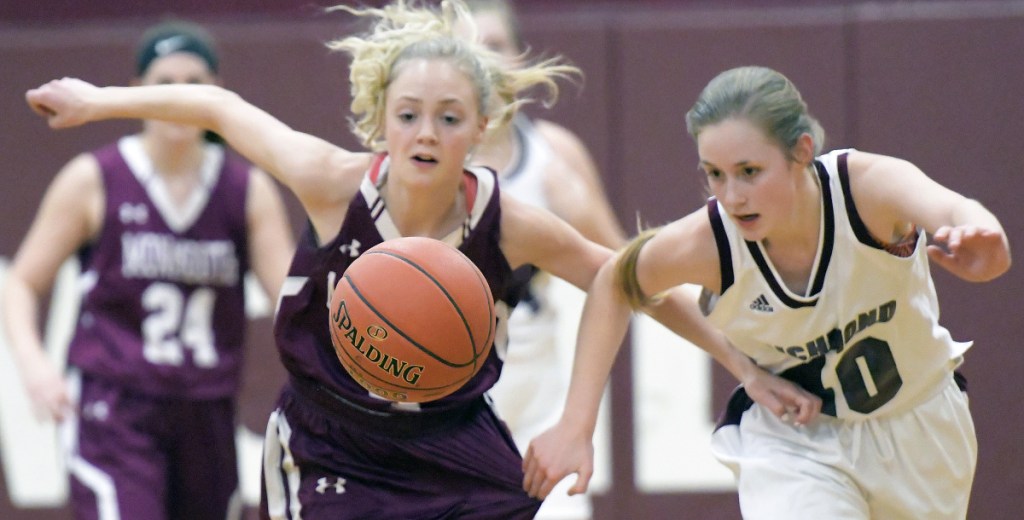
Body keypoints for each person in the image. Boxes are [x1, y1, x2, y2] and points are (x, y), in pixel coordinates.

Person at [22, 2, 696, 518]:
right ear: (379, 121)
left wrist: (736, 366)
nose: (426, 133)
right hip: (329, 436)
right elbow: (220, 108)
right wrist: (100, 102)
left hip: (449, 433)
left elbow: (625, 276)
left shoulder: (507, 219)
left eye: (448, 117)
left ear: (482, 128)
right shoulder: (330, 181)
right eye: (408, 115)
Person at [523, 65, 1011, 519]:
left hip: (920, 424)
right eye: (714, 174)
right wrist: (577, 423)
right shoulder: (710, 241)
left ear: (801, 151)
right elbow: (614, 281)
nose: (731, 195)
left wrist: (984, 240)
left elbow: (955, 211)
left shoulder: (866, 190)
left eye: (749, 171)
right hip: (797, 442)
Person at [4, 19, 295, 520]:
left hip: (207, 409)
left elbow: (291, 303)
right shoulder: (95, 179)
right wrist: (34, 367)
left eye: (193, 84)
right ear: (137, 92)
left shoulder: (247, 189)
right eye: (164, 84)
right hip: (116, 407)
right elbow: (22, 282)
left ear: (217, 93)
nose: (178, 98)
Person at [460, 1, 627, 518]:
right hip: (451, 392)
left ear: (519, 57)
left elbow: (624, 273)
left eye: (495, 45)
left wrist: (577, 210)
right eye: (468, 47)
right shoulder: (428, 156)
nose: (482, 60)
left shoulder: (555, 154)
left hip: (537, 384)